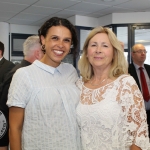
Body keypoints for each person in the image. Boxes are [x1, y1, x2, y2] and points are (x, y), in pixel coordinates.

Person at [7, 17, 81, 150]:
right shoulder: (24, 75)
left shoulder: (71, 71)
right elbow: (14, 128)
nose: (60, 44)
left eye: (66, 40)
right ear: (43, 40)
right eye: (54, 38)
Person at [76, 26, 150, 150]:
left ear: (114, 53)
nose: (98, 50)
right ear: (86, 52)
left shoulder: (125, 84)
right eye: (93, 45)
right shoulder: (78, 85)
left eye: (105, 46)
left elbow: (139, 137)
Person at [0, 35, 44, 150]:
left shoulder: (23, 71)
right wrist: (3, 144)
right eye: (45, 52)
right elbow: (4, 111)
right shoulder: (18, 74)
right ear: (38, 53)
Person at [128, 43, 150, 137]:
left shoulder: (149, 68)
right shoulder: (127, 70)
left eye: (144, 51)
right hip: (136, 115)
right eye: (140, 51)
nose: (143, 53)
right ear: (133, 54)